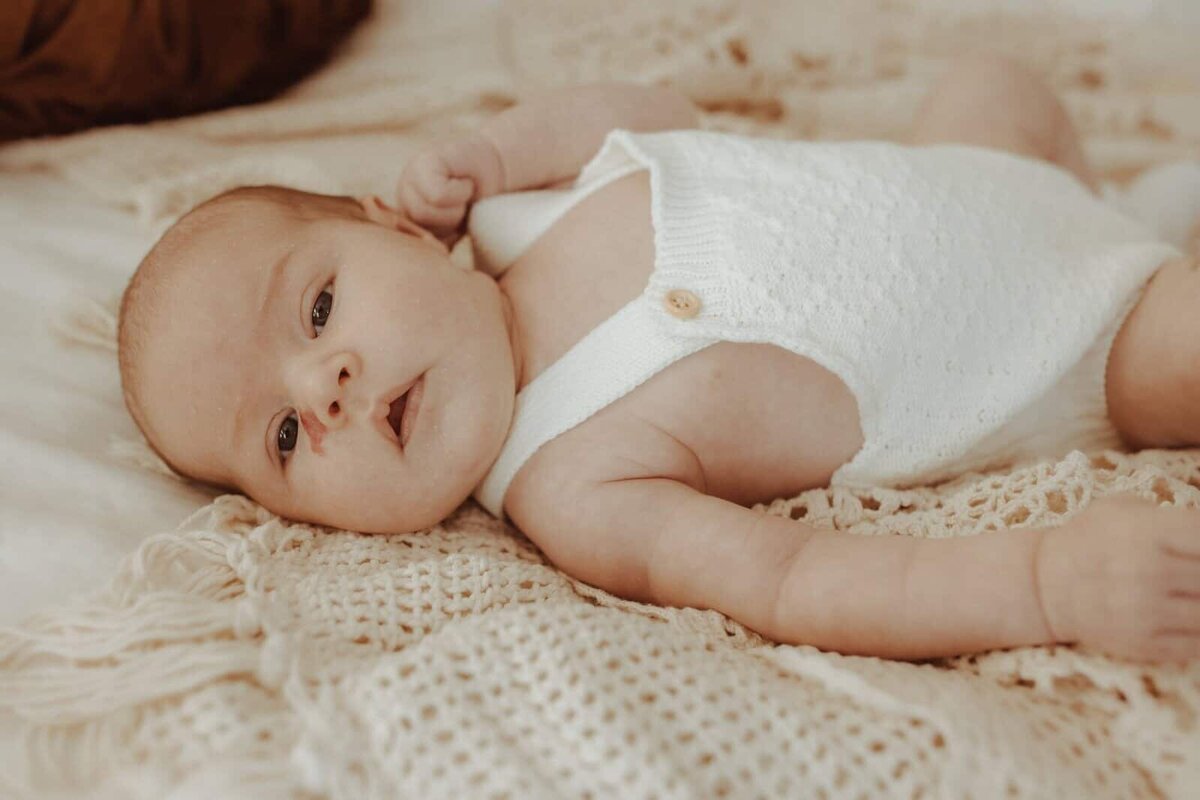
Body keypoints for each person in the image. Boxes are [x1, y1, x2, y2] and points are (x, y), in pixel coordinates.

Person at [116, 53, 1200, 664]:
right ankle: (1146, 248)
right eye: (286, 436)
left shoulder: (523, 204)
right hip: (1076, 337)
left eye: (316, 307)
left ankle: (1113, 204)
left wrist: (496, 150)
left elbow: (663, 113)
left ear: (398, 229)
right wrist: (1046, 583)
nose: (326, 386)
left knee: (991, 71)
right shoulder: (572, 479)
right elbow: (795, 580)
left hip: (970, 170)